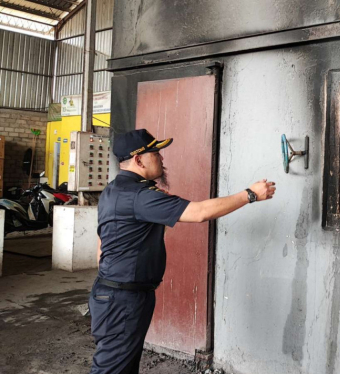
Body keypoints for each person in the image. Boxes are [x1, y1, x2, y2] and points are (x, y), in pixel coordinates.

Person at [89, 129, 276, 374]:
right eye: (155, 153)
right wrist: (249, 195)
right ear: (138, 159)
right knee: (112, 369)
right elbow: (200, 213)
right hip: (123, 298)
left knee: (122, 366)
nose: (161, 158)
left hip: (117, 293)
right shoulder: (139, 196)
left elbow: (102, 243)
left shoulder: (114, 190)